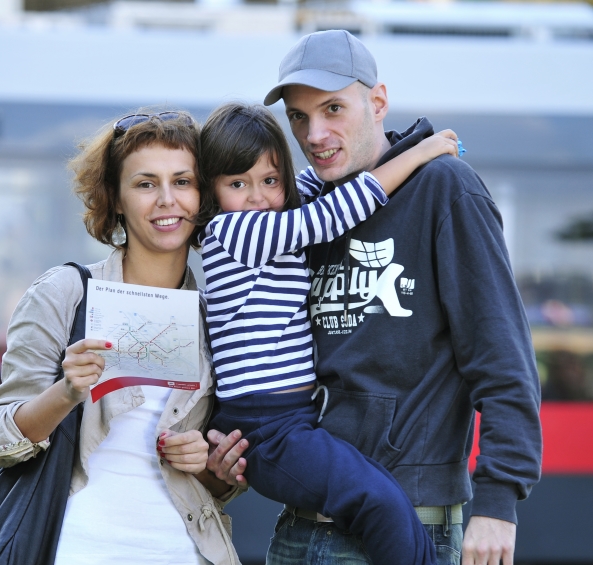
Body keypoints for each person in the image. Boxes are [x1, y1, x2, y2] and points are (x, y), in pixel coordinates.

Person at [207, 30, 542, 565]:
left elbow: (501, 358)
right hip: (301, 526)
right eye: (298, 116)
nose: (315, 133)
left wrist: (498, 501)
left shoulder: (444, 189)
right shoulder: (290, 217)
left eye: (333, 108)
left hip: (408, 522)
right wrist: (228, 465)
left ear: (378, 102)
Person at [195, 102, 460, 565]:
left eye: (269, 180)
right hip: (265, 427)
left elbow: (316, 183)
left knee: (382, 498)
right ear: (212, 190)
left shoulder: (269, 214)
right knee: (377, 500)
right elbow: (332, 214)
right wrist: (423, 153)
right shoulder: (232, 230)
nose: (257, 196)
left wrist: (411, 138)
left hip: (288, 421)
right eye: (237, 184)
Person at [0, 111, 243, 565]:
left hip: (183, 551)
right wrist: (67, 392)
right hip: (76, 548)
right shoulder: (64, 293)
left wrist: (210, 464)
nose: (166, 200)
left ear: (201, 197)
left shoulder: (217, 316)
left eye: (182, 181)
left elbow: (220, 485)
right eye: (145, 184)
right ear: (116, 198)